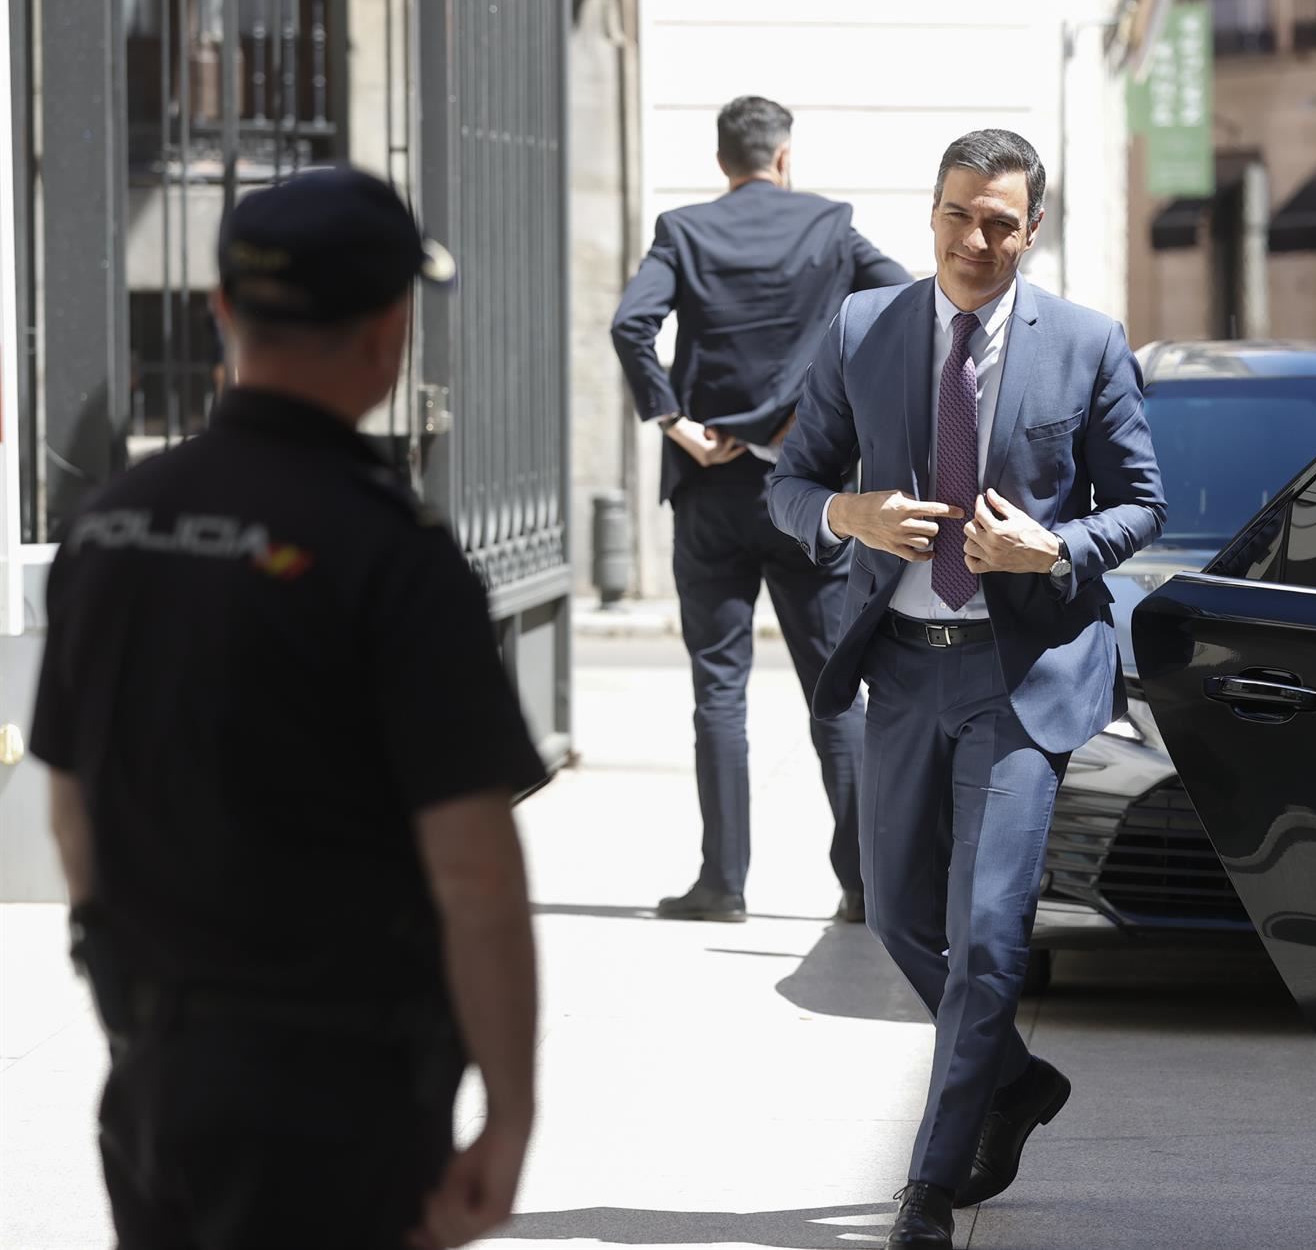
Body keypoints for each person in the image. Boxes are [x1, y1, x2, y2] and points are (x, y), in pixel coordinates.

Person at [32, 165, 546, 1250]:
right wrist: (509, 1110)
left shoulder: (112, 523)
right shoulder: (393, 555)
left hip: (157, 1075)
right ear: (390, 330)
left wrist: (132, 999)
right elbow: (475, 869)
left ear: (223, 312)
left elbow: (71, 807)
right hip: (336, 1100)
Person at [768, 129, 1165, 1250]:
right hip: (896, 669)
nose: (976, 239)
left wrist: (1055, 549)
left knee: (989, 937)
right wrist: (850, 514)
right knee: (896, 914)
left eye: (1000, 221)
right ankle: (1018, 1078)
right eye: (958, 214)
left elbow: (1142, 503)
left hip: (1017, 676)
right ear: (931, 213)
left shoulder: (1085, 342)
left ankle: (928, 1188)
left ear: (1031, 229)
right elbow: (790, 484)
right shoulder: (861, 328)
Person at [611, 95, 911, 924]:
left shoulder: (683, 229)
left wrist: (673, 420)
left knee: (718, 691)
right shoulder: (831, 227)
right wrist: (823, 403)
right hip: (810, 492)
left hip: (709, 487)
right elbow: (907, 302)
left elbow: (632, 323)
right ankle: (862, 885)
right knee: (834, 689)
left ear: (723, 163)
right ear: (784, 158)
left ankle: (724, 884)